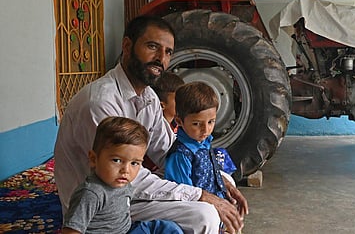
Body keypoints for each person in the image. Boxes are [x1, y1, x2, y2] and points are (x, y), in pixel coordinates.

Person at [54, 14, 248, 234]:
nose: (161, 59)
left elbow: (168, 150)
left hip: (126, 193)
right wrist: (201, 195)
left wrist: (219, 182)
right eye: (152, 47)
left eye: (168, 52)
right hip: (101, 206)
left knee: (222, 181)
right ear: (127, 46)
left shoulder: (149, 97)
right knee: (205, 214)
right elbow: (126, 175)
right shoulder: (99, 102)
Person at [62, 116, 183, 234]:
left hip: (128, 229)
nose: (126, 170)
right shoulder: (91, 193)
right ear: (94, 159)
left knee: (167, 228)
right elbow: (71, 230)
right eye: (116, 160)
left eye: (134, 163)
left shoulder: (123, 182)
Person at [164, 82, 244, 232]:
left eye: (211, 122)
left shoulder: (203, 142)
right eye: (196, 124)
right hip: (200, 211)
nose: (205, 130)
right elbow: (184, 194)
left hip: (214, 201)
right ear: (180, 121)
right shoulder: (180, 154)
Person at [143, 72, 185, 171]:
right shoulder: (154, 128)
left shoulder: (177, 123)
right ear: (162, 105)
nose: (184, 102)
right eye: (178, 99)